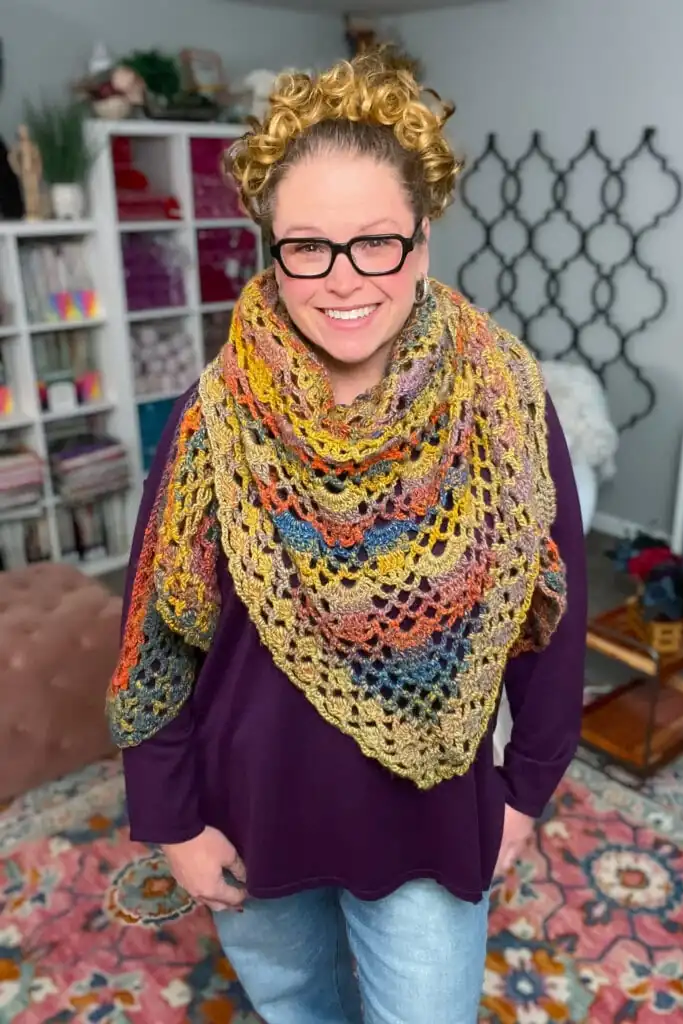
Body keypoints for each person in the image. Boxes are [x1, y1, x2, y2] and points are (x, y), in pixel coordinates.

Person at [107, 50, 587, 1024]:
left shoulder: (504, 405)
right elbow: (155, 637)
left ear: (422, 240)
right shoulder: (211, 417)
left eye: (375, 243)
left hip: (428, 820)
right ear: (272, 251)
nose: (343, 280)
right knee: (299, 1007)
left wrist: (528, 789)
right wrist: (172, 818)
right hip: (248, 814)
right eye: (308, 247)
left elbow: (554, 613)